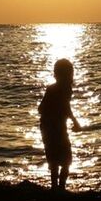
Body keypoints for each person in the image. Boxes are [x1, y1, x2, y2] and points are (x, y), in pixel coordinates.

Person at [38, 58, 81, 190]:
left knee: (58, 160)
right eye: (70, 74)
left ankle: (57, 188)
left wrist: (72, 120)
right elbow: (63, 107)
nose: (71, 77)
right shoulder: (61, 89)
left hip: (52, 127)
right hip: (52, 127)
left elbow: (63, 107)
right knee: (62, 159)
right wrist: (74, 121)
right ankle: (58, 188)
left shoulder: (58, 89)